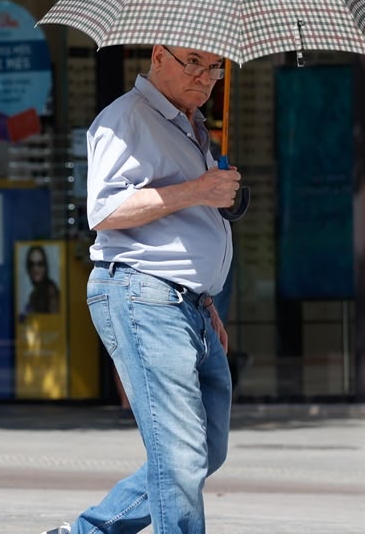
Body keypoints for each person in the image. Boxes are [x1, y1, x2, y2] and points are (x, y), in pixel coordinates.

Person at [41, 44, 240, 534]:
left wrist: (206, 297)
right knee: (181, 455)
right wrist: (200, 189)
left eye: (214, 67)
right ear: (158, 57)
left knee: (204, 450)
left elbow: (183, 225)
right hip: (145, 295)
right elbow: (104, 210)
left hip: (189, 303)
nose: (205, 77)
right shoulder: (128, 118)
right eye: (193, 63)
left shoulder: (191, 126)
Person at [24, 245, 60, 314]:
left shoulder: (51, 292)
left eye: (40, 264)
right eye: (31, 264)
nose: (35, 268)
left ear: (45, 267)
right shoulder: (33, 294)